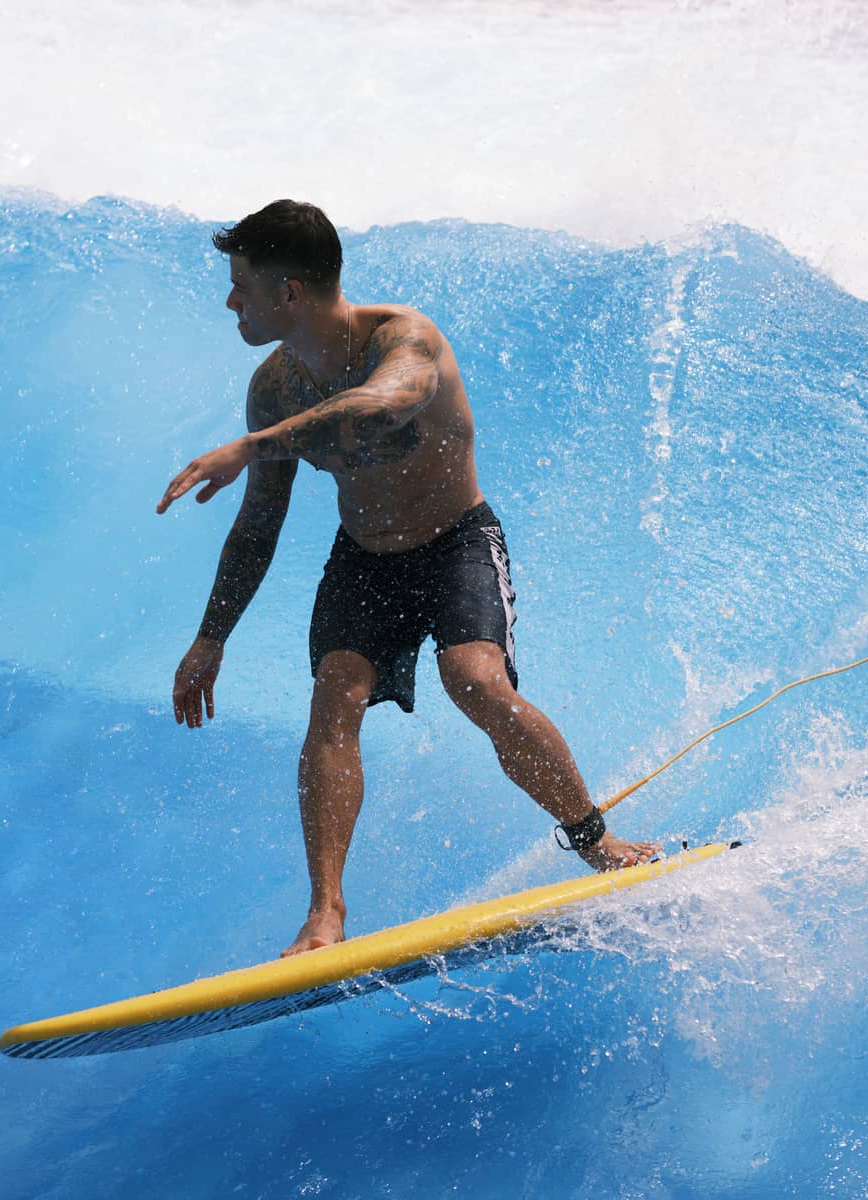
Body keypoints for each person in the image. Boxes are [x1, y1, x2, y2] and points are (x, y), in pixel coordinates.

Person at [157, 200, 660, 957]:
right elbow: (260, 524)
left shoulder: (405, 339)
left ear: (289, 293)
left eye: (242, 287)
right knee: (335, 696)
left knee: (475, 680)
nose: (232, 302)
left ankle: (596, 839)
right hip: (365, 557)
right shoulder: (275, 389)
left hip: (456, 543)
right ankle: (325, 914)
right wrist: (211, 636)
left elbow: (382, 405)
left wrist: (252, 446)